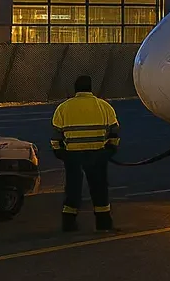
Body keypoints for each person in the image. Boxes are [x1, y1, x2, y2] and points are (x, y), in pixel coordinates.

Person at [50, 75, 120, 232]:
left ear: (75, 89)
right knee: (99, 188)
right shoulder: (104, 106)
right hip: (98, 153)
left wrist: (59, 151)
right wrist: (111, 148)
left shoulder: (63, 108)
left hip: (72, 155)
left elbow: (56, 134)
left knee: (73, 189)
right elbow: (114, 130)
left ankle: (68, 223)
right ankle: (103, 223)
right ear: (90, 88)